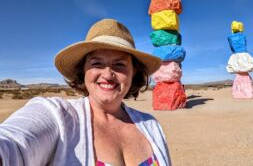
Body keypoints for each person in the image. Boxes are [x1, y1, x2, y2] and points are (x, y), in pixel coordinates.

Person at [0, 19, 171, 166]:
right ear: (83, 70)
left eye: (119, 64)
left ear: (134, 72)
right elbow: (13, 144)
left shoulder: (150, 125)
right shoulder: (59, 116)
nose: (107, 74)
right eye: (97, 63)